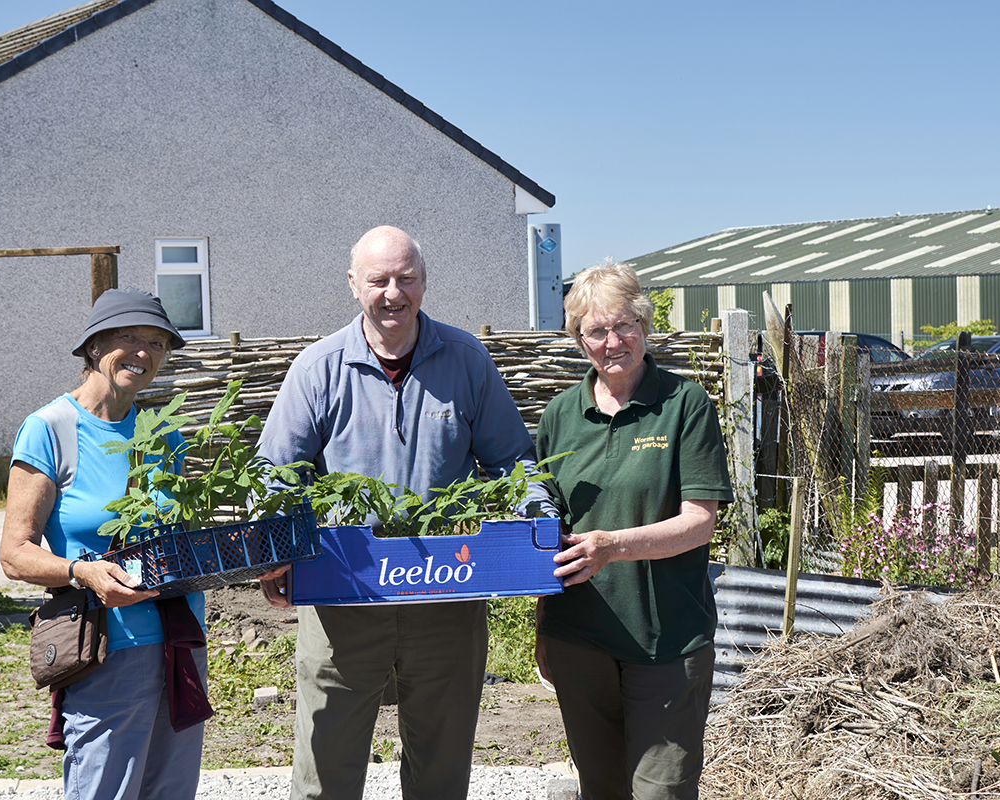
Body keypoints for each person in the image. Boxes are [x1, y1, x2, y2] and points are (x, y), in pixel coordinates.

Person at [255, 225, 554, 800]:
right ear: (353, 285)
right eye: (379, 280)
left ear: (424, 281)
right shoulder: (318, 369)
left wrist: (539, 529)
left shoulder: (466, 360)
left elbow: (514, 462)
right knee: (325, 772)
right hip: (344, 593)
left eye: (407, 278)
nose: (394, 292)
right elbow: (275, 474)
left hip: (446, 589)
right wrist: (275, 555)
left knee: (441, 771)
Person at [0, 287, 211, 800]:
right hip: (106, 648)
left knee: (172, 790)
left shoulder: (164, 435)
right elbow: (14, 553)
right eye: (128, 337)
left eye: (157, 343)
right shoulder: (51, 430)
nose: (143, 352)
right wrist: (82, 572)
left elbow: (180, 538)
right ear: (94, 346)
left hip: (181, 640)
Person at [534, 260, 734, 800]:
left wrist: (611, 546)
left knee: (660, 791)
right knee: (601, 788)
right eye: (596, 330)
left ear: (644, 326)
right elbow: (547, 530)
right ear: (580, 339)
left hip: (665, 637)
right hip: (579, 637)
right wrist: (543, 623)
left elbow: (699, 523)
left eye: (624, 325)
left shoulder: (683, 405)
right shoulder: (560, 416)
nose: (612, 340)